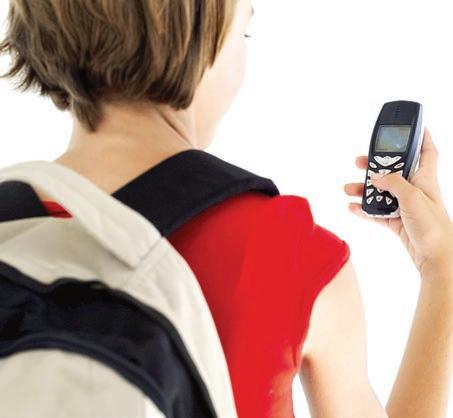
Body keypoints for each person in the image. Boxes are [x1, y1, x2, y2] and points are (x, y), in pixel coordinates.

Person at [0, 1, 452, 417]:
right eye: (243, 34)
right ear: (199, 41)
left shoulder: (9, 228)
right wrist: (443, 271)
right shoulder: (287, 250)